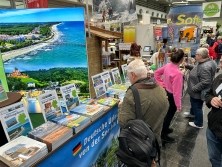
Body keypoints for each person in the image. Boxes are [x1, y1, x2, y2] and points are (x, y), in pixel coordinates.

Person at [118, 59, 169, 146]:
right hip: (155, 140)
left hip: (140, 145)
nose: (128, 78)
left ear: (133, 75)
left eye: (128, 76)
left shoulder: (132, 93)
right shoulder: (160, 88)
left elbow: (123, 121)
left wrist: (121, 106)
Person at [154, 48, 185, 143]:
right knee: (169, 115)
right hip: (172, 96)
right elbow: (177, 92)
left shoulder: (168, 66)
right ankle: (164, 134)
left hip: (166, 93)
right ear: (182, 60)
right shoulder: (178, 73)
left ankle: (165, 129)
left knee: (167, 114)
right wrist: (179, 106)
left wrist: (162, 84)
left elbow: (156, 73)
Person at [183, 48, 216, 128]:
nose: (195, 55)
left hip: (197, 91)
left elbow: (205, 82)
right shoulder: (204, 62)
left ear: (200, 56)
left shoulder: (205, 67)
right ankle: (192, 114)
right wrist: (187, 65)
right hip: (195, 90)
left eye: (196, 54)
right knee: (194, 104)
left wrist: (194, 88)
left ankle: (198, 123)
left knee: (197, 106)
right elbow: (196, 69)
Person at [205, 58, 222, 167]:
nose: (220, 65)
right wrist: (211, 99)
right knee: (214, 158)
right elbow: (208, 93)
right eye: (220, 62)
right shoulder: (219, 78)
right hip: (213, 129)